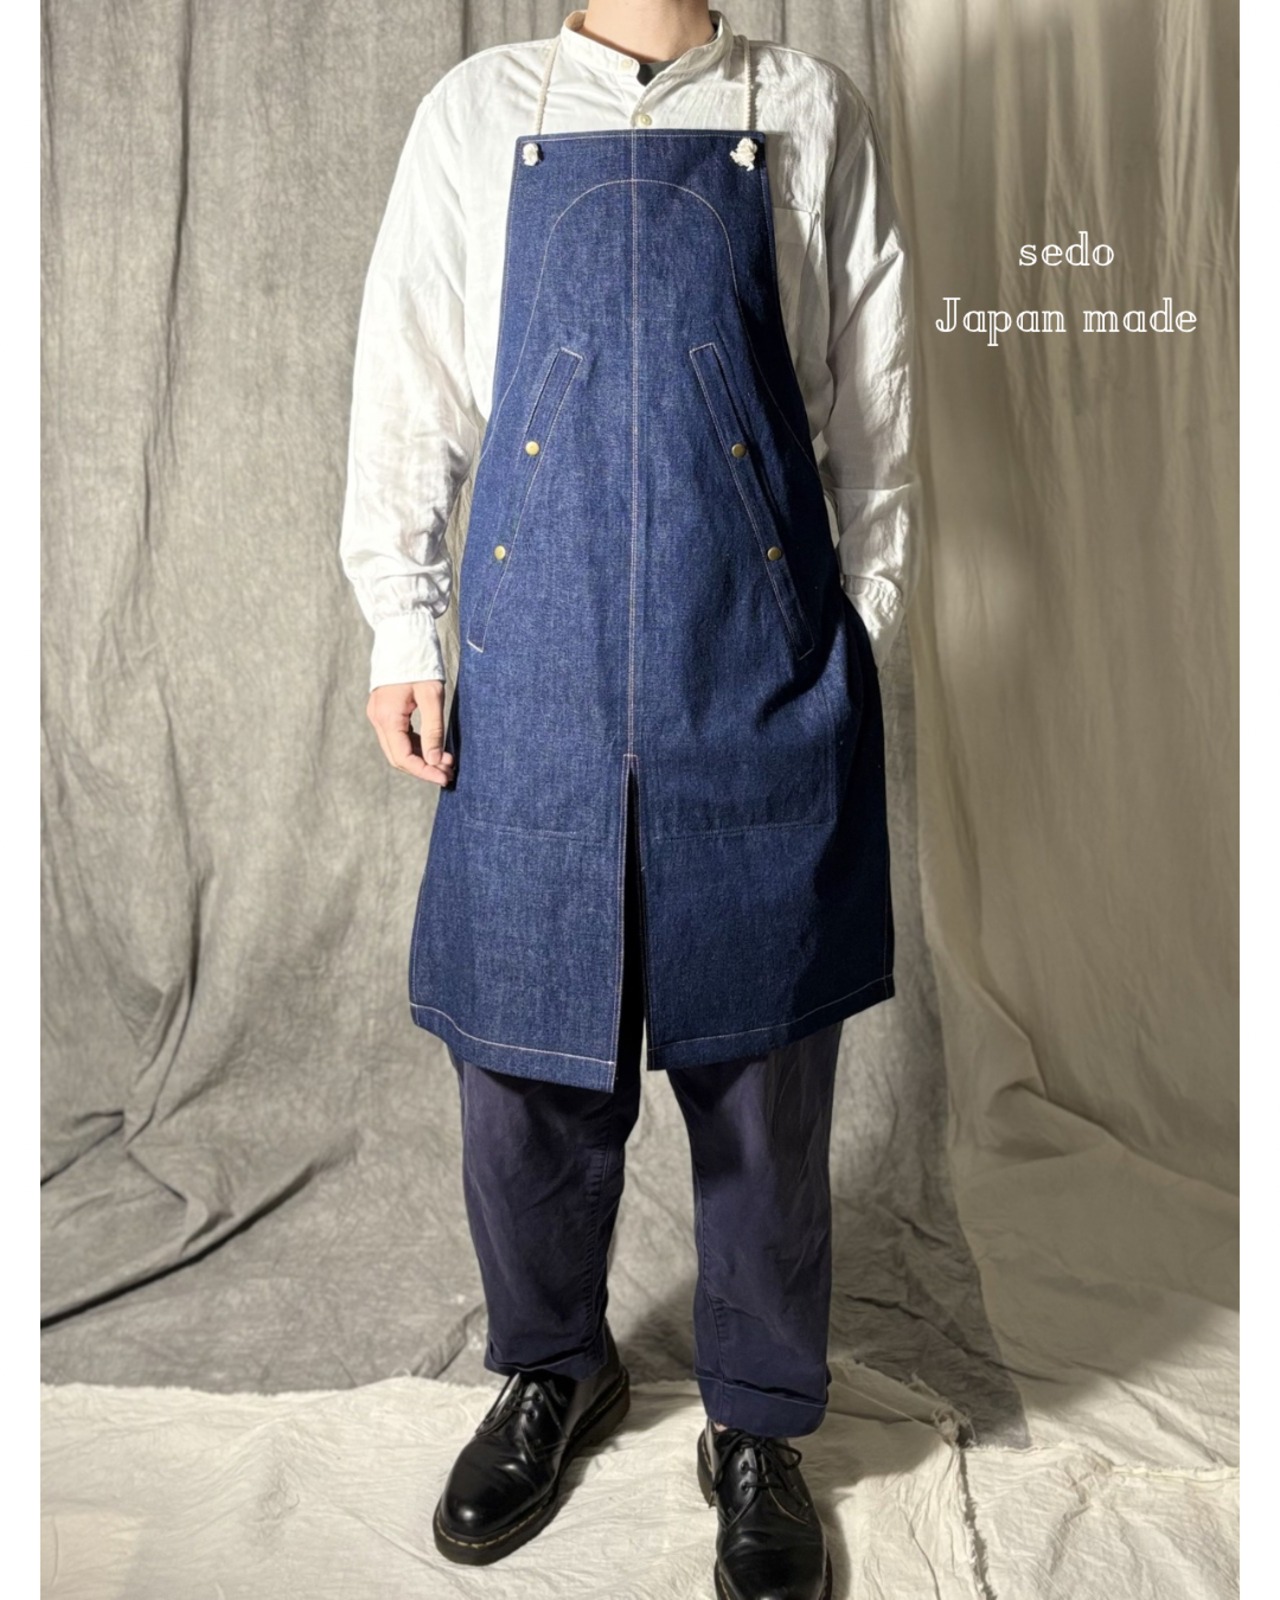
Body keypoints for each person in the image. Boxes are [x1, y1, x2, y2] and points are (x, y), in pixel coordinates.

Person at [340, 4, 917, 1595]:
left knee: (762, 1067)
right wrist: (404, 628)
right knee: (525, 1063)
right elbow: (409, 380)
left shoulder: (811, 110)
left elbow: (873, 401)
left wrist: (845, 635)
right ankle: (554, 1366)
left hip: (756, 657)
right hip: (541, 656)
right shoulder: (476, 114)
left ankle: (759, 1422)